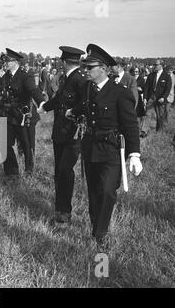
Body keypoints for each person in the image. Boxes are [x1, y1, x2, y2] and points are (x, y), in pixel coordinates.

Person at [65, 44, 142, 248]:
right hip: (90, 147)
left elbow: (131, 124)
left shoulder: (120, 92)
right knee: (94, 192)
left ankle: (101, 233)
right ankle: (95, 228)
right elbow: (85, 106)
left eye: (90, 67)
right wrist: (72, 111)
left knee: (108, 191)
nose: (86, 71)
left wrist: (135, 154)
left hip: (111, 150)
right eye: (85, 67)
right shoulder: (89, 89)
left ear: (103, 69)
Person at [37, 46, 86, 225]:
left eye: (60, 61)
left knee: (65, 171)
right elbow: (59, 100)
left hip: (72, 135)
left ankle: (64, 213)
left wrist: (75, 113)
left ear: (64, 62)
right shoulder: (68, 78)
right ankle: (60, 209)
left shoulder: (79, 79)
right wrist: (44, 107)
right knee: (59, 172)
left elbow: (86, 103)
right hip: (60, 133)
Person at [2, 48, 45, 176]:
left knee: (27, 145)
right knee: (5, 143)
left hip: (24, 116)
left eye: (8, 61)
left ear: (15, 62)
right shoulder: (6, 76)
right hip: (10, 115)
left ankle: (29, 170)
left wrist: (42, 102)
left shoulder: (25, 75)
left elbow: (33, 90)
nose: (5, 63)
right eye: (5, 60)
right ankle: (12, 172)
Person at [143, 60, 172, 132]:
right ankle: (144, 131)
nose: (154, 66)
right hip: (151, 97)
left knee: (160, 115)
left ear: (161, 65)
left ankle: (159, 130)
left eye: (156, 65)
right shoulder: (151, 75)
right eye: (154, 65)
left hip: (160, 99)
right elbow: (146, 87)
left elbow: (167, 89)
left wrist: (164, 97)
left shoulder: (167, 77)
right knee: (148, 114)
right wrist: (145, 98)